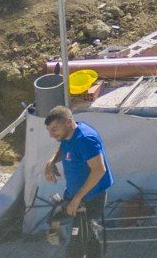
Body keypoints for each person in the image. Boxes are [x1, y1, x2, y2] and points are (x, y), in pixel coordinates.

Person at [43, 105, 112, 258]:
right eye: (49, 130)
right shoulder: (68, 135)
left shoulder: (85, 139)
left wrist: (77, 198)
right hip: (75, 196)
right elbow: (63, 148)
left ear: (68, 122)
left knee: (75, 247)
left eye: (54, 129)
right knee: (88, 239)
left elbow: (99, 170)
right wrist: (51, 162)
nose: (51, 134)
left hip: (90, 198)